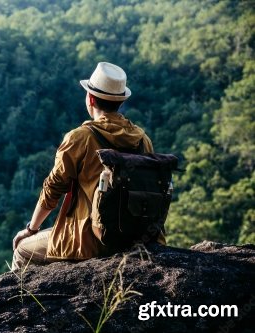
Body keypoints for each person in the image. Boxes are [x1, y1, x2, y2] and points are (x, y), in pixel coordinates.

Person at [11, 62, 165, 270]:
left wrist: (30, 229)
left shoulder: (80, 138)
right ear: (119, 102)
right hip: (135, 238)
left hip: (89, 242)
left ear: (90, 99)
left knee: (22, 250)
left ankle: (22, 303)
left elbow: (52, 189)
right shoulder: (141, 139)